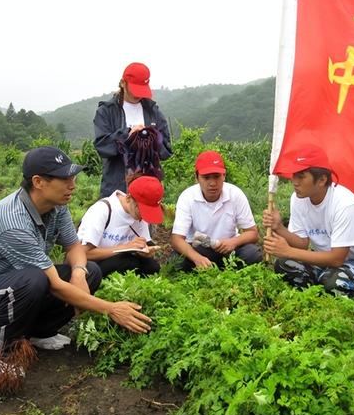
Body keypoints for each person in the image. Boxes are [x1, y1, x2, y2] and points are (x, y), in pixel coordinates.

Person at [0, 146, 152, 393]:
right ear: (38, 182)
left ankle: (38, 333)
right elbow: (54, 285)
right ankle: (0, 351)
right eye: (65, 179)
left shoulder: (56, 206)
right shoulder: (13, 222)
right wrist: (111, 308)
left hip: (13, 286)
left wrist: (79, 273)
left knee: (91, 270)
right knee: (33, 280)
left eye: (73, 178)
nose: (73, 185)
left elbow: (74, 246)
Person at [262, 146, 354, 297]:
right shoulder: (298, 199)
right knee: (284, 264)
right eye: (294, 175)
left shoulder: (344, 204)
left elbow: (337, 258)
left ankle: (325, 290)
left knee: (334, 282)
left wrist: (288, 251)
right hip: (327, 264)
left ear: (322, 180)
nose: (294, 182)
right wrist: (279, 228)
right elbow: (302, 244)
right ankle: (321, 292)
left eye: (301, 176)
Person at [170, 150, 262, 270]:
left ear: (224, 176)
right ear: (196, 178)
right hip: (199, 249)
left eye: (217, 176)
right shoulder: (187, 197)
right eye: (206, 177)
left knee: (252, 254)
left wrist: (233, 242)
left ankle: (217, 268)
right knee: (176, 260)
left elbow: (253, 233)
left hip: (229, 249)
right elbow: (177, 239)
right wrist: (197, 258)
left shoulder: (235, 194)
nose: (212, 183)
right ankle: (215, 267)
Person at [93, 62, 172, 198]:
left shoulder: (153, 111)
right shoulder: (107, 111)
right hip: (117, 189)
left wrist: (151, 137)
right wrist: (128, 134)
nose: (139, 95)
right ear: (123, 83)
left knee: (148, 218)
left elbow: (166, 150)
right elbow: (102, 146)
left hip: (148, 188)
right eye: (135, 89)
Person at [77, 175, 164, 278]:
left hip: (123, 259)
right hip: (92, 264)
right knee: (128, 262)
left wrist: (145, 252)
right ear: (128, 198)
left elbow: (143, 244)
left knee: (152, 267)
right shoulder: (102, 210)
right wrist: (127, 247)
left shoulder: (137, 214)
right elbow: (82, 254)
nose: (143, 217)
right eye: (142, 210)